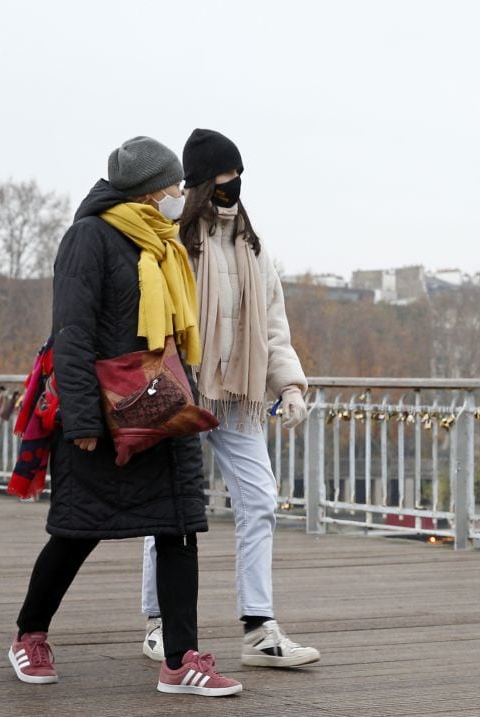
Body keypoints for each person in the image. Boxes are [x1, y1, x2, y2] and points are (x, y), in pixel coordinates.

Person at [9, 137, 241, 696]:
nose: (179, 194)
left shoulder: (164, 242)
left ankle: (180, 660)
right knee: (75, 531)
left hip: (162, 409)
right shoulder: (88, 238)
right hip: (105, 416)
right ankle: (28, 635)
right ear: (147, 187)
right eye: (172, 184)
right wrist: (84, 422)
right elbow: (72, 333)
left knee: (179, 529)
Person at [140, 128, 319, 668]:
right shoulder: (173, 241)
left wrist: (288, 384)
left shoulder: (253, 248)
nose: (232, 186)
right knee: (168, 509)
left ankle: (259, 628)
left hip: (237, 397)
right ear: (199, 184)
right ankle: (157, 621)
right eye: (221, 179)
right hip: (184, 392)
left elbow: (271, 326)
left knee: (261, 501)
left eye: (237, 177)